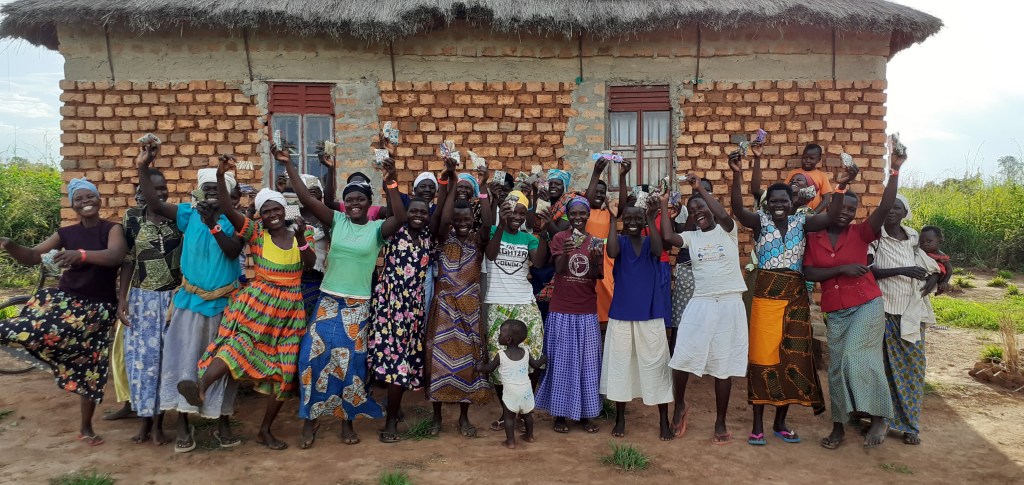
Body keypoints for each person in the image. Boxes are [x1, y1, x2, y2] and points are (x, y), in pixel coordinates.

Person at [177, 156, 315, 450]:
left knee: (286, 371)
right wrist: (220, 174)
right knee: (237, 345)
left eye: (277, 208)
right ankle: (200, 388)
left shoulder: (301, 233)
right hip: (259, 306)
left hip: (290, 311)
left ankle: (265, 431)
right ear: (260, 215)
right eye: (266, 211)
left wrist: (302, 237)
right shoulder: (256, 233)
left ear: (284, 210)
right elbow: (228, 209)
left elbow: (310, 263)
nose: (272, 214)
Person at [280, 144, 406, 447]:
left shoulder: (377, 229)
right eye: (349, 199)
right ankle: (310, 419)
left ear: (369, 202)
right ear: (344, 203)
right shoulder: (336, 221)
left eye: (360, 199)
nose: (354, 203)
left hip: (357, 306)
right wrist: (288, 163)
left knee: (351, 365)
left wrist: (391, 180)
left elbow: (400, 217)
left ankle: (347, 421)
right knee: (312, 358)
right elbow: (307, 198)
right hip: (328, 301)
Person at [728, 150, 843, 446]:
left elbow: (831, 215)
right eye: (774, 201)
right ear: (767, 204)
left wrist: (840, 186)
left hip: (795, 298)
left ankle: (780, 423)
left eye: (784, 200)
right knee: (762, 359)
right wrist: (737, 174)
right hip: (766, 297)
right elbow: (738, 209)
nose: (779, 205)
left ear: (792, 202)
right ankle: (757, 425)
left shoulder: (802, 222)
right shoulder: (760, 222)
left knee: (793, 359)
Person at [0, 178, 126, 446]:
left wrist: (81, 255)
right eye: (78, 199)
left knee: (91, 367)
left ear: (99, 199)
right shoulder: (65, 234)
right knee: (32, 329)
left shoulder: (112, 229)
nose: (85, 202)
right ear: (72, 205)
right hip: (66, 303)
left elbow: (115, 256)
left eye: (89, 196)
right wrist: (9, 244)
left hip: (98, 310)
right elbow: (33, 256)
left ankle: (86, 428)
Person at [138, 145, 243, 453]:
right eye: (206, 189)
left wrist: (213, 224)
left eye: (218, 189)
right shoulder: (187, 214)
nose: (212, 194)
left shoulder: (236, 221)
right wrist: (143, 167)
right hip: (190, 302)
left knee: (224, 364)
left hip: (225, 305)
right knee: (185, 361)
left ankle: (222, 422)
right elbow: (155, 203)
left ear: (228, 194)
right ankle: (184, 422)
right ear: (198, 192)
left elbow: (232, 252)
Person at [803, 144, 906, 450]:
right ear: (833, 208)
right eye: (842, 208)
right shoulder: (814, 237)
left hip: (866, 304)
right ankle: (839, 426)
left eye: (852, 209)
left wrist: (895, 169)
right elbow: (809, 272)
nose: (846, 213)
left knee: (856, 356)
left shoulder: (861, 233)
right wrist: (842, 269)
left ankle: (879, 416)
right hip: (835, 310)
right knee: (836, 369)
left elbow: (884, 208)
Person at [662, 174, 748, 445]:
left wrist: (699, 189)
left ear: (711, 207)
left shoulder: (728, 230)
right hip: (701, 302)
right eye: (693, 209)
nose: (698, 212)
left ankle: (720, 421)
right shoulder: (691, 237)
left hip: (729, 303)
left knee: (723, 365)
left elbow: (722, 214)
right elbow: (668, 236)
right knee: (681, 357)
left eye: (702, 207)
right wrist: (663, 204)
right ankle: (680, 405)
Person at [602, 159, 674, 440]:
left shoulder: (648, 243)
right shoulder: (619, 243)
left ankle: (663, 420)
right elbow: (610, 252)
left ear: (643, 221)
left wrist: (650, 218)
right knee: (621, 367)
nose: (632, 223)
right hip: (622, 314)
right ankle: (620, 418)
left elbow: (658, 249)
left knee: (656, 366)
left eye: (637, 219)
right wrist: (612, 218)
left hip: (650, 314)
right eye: (628, 219)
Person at [426, 159, 493, 437]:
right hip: (444, 307)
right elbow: (442, 219)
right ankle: (437, 417)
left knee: (468, 362)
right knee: (438, 362)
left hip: (470, 308)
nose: (462, 223)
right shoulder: (443, 238)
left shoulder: (478, 239)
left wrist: (483, 188)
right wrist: (452, 182)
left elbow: (488, 223)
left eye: (466, 219)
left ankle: (464, 417)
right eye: (458, 220)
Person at [868, 194, 941, 446]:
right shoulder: (874, 237)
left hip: (911, 313)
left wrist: (936, 277)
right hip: (883, 310)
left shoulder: (913, 237)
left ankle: (910, 424)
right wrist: (902, 270)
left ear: (904, 212)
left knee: (913, 369)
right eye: (887, 206)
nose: (891, 210)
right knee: (881, 370)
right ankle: (877, 419)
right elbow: (870, 271)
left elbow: (932, 261)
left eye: (896, 207)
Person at [117, 170, 182, 445]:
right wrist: (122, 299)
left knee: (166, 361)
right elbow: (128, 260)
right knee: (142, 363)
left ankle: (158, 425)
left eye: (163, 187)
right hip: (141, 300)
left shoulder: (179, 217)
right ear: (142, 191)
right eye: (154, 188)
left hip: (172, 300)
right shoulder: (132, 218)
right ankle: (144, 421)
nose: (160, 192)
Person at [535, 195, 605, 434]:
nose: (577, 217)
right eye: (573, 213)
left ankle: (585, 414)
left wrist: (595, 262)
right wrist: (565, 252)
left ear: (588, 215)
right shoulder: (559, 238)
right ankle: (560, 415)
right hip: (562, 310)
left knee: (587, 365)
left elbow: (596, 277)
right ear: (567, 215)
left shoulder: (595, 241)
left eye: (582, 213)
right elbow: (559, 270)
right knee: (561, 364)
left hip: (586, 311)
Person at [369, 193, 433, 443]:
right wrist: (392, 184)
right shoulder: (395, 231)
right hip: (391, 306)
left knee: (406, 360)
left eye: (423, 212)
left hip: (414, 308)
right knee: (396, 363)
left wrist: (447, 182)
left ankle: (392, 409)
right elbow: (396, 210)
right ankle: (390, 424)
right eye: (413, 211)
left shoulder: (427, 235)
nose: (418, 215)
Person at [483, 189, 549, 432]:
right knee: (498, 358)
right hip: (498, 302)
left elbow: (538, 262)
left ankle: (524, 408)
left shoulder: (528, 238)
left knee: (533, 356)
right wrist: (500, 225)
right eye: (512, 212)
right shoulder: (493, 231)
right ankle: (507, 412)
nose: (517, 217)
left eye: (522, 213)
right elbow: (490, 255)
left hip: (524, 302)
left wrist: (543, 233)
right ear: (503, 212)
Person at [476, 319, 547, 449]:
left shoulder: (501, 355)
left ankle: (510, 442)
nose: (498, 336)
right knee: (527, 414)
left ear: (508, 340)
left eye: (500, 334)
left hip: (511, 391)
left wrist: (480, 367)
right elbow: (536, 365)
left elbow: (489, 369)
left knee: (509, 417)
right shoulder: (526, 352)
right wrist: (544, 359)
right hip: (526, 390)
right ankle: (529, 436)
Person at [584, 158, 615, 325]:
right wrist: (596, 173)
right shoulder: (584, 211)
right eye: (595, 190)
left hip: (606, 257)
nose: (598, 194)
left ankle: (607, 326)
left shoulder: (608, 212)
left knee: (608, 290)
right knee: (588, 290)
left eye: (602, 192)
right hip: (586, 253)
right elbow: (587, 200)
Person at [297, 172, 330, 318]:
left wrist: (319, 206)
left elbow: (331, 237)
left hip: (317, 277)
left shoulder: (325, 216)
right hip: (295, 275)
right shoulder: (293, 213)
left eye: (315, 191)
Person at [783, 144, 833, 210]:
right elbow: (784, 191)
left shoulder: (821, 176)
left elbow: (826, 200)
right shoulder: (793, 173)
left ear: (819, 160)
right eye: (804, 157)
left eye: (811, 158)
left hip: (813, 213)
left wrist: (814, 213)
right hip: (794, 212)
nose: (807, 160)